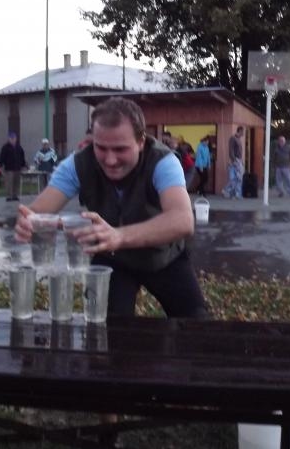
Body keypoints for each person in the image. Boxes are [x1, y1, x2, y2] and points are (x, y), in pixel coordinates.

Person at [15, 96, 208, 319]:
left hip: (164, 257)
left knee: (196, 323)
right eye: (101, 147)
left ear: (141, 142)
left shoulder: (163, 161)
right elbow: (38, 211)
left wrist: (119, 235)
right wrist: (29, 222)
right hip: (112, 260)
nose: (110, 160)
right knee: (108, 328)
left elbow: (182, 220)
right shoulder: (77, 164)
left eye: (120, 149)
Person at [0, 131, 26, 201]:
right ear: (9, 139)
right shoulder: (5, 147)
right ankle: (9, 196)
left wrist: (23, 165)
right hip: (9, 168)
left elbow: (22, 156)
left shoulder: (19, 147)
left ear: (16, 139)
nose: (13, 139)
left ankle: (15, 195)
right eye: (11, 138)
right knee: (9, 182)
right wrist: (0, 165)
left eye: (14, 138)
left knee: (16, 182)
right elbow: (2, 157)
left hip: (17, 168)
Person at [223, 126, 244, 199]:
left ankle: (237, 193)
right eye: (242, 132)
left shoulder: (238, 139)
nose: (243, 133)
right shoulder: (233, 138)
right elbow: (231, 150)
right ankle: (227, 190)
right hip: (235, 160)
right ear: (240, 131)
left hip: (239, 160)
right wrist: (234, 160)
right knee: (234, 178)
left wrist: (241, 161)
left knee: (238, 178)